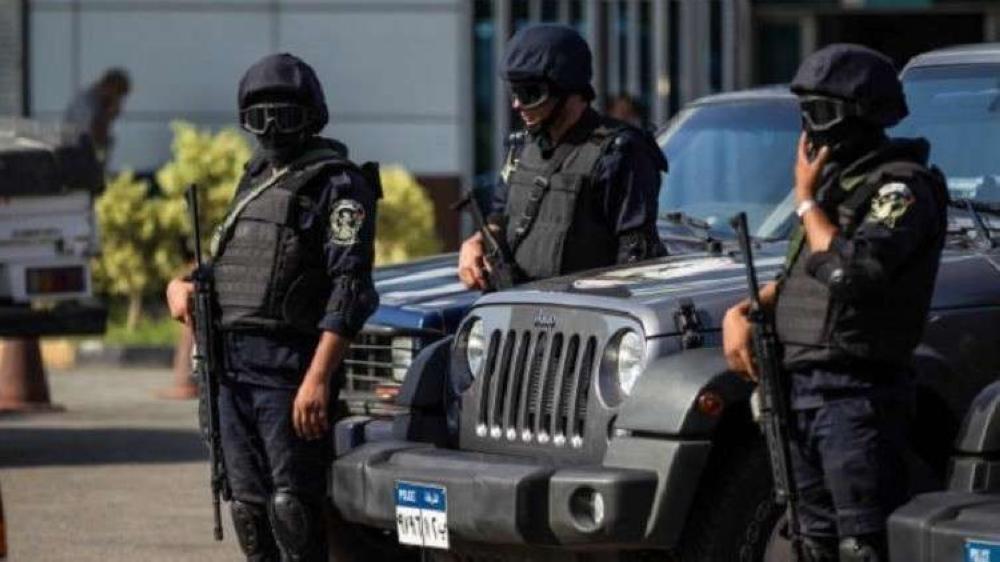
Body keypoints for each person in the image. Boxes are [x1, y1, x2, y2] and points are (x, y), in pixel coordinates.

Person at [722, 44, 948, 562]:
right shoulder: (835, 188)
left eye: (821, 113)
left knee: (861, 546)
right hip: (800, 389)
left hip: (856, 394)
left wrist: (804, 201)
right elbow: (802, 275)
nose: (809, 128)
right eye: (804, 112)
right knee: (810, 541)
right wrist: (747, 309)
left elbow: (852, 274)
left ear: (860, 115)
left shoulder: (901, 188)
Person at [165, 53, 380, 562]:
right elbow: (231, 266)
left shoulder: (338, 184)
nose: (271, 128)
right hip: (230, 371)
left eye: (283, 114)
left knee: (292, 511)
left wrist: (318, 378)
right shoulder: (257, 177)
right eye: (258, 116)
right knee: (248, 510)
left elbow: (351, 287)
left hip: (290, 370)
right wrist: (181, 286)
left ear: (311, 114)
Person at [457, 24, 668, 290]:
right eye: (515, 92)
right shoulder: (522, 148)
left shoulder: (619, 154)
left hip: (584, 311)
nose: (517, 104)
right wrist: (477, 241)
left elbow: (636, 261)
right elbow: (500, 217)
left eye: (530, 93)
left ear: (568, 90)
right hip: (515, 306)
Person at [64, 67, 131, 167]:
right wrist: (107, 114)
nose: (118, 101)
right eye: (117, 95)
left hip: (92, 153)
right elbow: (87, 133)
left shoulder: (104, 103)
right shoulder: (85, 102)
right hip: (77, 155)